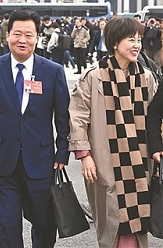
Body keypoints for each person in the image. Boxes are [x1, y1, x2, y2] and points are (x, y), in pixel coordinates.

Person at [0, 9, 70, 248]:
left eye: (28, 35)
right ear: (7, 36)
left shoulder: (52, 71)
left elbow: (63, 118)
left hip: (41, 160)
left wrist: (62, 152)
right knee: (7, 224)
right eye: (17, 34)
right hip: (4, 160)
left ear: (37, 37)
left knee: (44, 222)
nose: (22, 40)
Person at [69, 17, 157, 248]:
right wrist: (84, 155)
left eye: (138, 40)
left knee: (137, 220)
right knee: (112, 218)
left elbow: (156, 118)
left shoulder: (146, 77)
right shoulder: (94, 76)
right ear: (115, 43)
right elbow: (78, 117)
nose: (137, 45)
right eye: (131, 40)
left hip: (140, 161)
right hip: (105, 160)